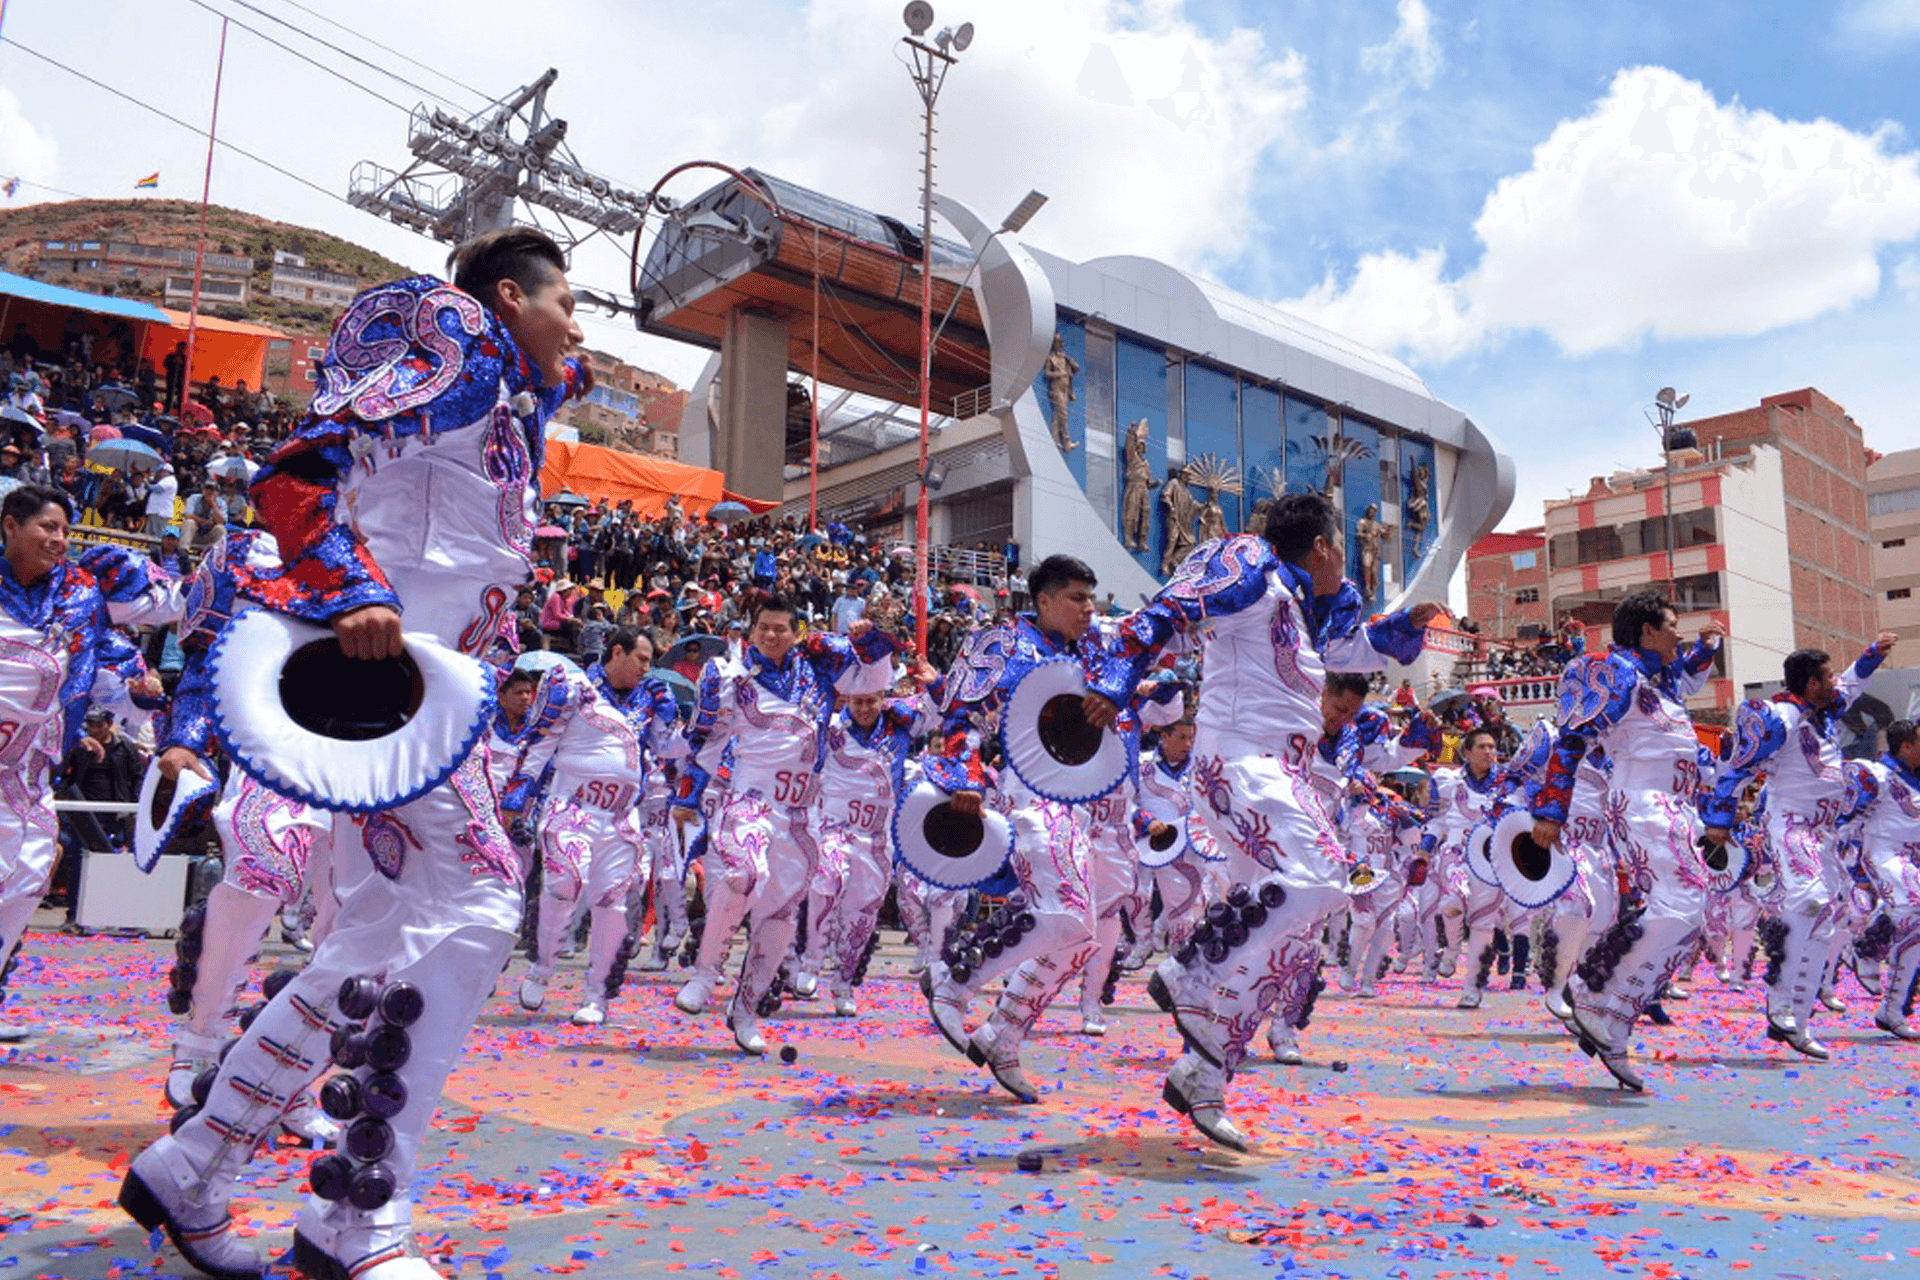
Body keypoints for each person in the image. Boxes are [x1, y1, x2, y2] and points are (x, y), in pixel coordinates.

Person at [120, 227, 588, 1280]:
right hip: (395, 694)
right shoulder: (455, 340)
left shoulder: (508, 388)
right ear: (509, 296)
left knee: (368, 942)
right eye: (569, 301)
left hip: (430, 703)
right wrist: (355, 592)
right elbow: (298, 468)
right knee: (474, 908)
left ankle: (194, 1160)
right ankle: (357, 1214)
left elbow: (554, 382)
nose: (579, 323)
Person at [1092, 492, 1439, 1149]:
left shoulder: (1295, 604)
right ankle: (1192, 969)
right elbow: (1171, 605)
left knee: (1290, 942)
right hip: (1246, 765)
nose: (1343, 560)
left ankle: (1203, 1074)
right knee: (1325, 881)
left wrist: (1407, 624)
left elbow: (1353, 646)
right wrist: (1113, 682)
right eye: (1338, 547)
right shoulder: (1250, 564)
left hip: (1276, 775)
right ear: (1323, 547)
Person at [672, 594, 895, 1054]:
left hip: (800, 817)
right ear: (750, 632)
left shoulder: (817, 669)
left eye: (781, 628)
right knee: (742, 875)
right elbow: (706, 743)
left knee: (779, 916)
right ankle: (705, 973)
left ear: (795, 633)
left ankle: (747, 1008)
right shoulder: (728, 676)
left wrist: (864, 638)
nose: (771, 636)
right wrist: (688, 796)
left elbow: (872, 678)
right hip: (750, 801)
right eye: (763, 628)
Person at [1, 487, 178, 1041]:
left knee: (28, 875)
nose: (57, 540)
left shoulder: (80, 595)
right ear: (9, 527)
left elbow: (108, 660)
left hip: (26, 770)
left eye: (63, 532)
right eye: (46, 528)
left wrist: (141, 686)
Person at [1529, 591, 1723, 1089]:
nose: (1679, 633)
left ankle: (1612, 1019)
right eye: (1673, 624)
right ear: (1647, 631)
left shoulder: (1659, 682)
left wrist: (1705, 650)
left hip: (1674, 807)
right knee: (1684, 905)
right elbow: (1572, 740)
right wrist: (1551, 810)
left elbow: (1682, 698)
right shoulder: (1613, 670)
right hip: (1642, 803)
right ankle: (1589, 989)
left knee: (1692, 914)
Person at [1702, 632, 1896, 1059]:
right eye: (1827, 678)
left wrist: (1872, 655)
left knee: (1826, 920)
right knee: (1808, 900)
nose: (1835, 685)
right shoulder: (1784, 718)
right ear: (1811, 684)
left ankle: (1799, 1022)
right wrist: (1718, 820)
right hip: (1791, 825)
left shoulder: (1825, 710)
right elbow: (1740, 766)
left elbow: (1854, 682)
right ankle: (1777, 1000)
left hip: (1823, 834)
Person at [505, 630, 679, 1026]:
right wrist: (517, 802)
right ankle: (541, 967)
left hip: (620, 817)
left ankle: (597, 996)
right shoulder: (572, 688)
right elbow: (538, 746)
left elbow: (665, 752)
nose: (648, 669)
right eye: (643, 659)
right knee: (565, 883)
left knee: (612, 903)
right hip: (574, 805)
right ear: (618, 652)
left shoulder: (652, 698)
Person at [144, 463, 179, 539]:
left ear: (166, 472)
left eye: (161, 472)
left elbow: (156, 489)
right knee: (150, 534)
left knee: (158, 534)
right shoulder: (164, 480)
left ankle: (157, 550)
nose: (159, 474)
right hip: (155, 511)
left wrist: (146, 481)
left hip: (161, 512)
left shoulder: (170, 480)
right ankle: (151, 549)